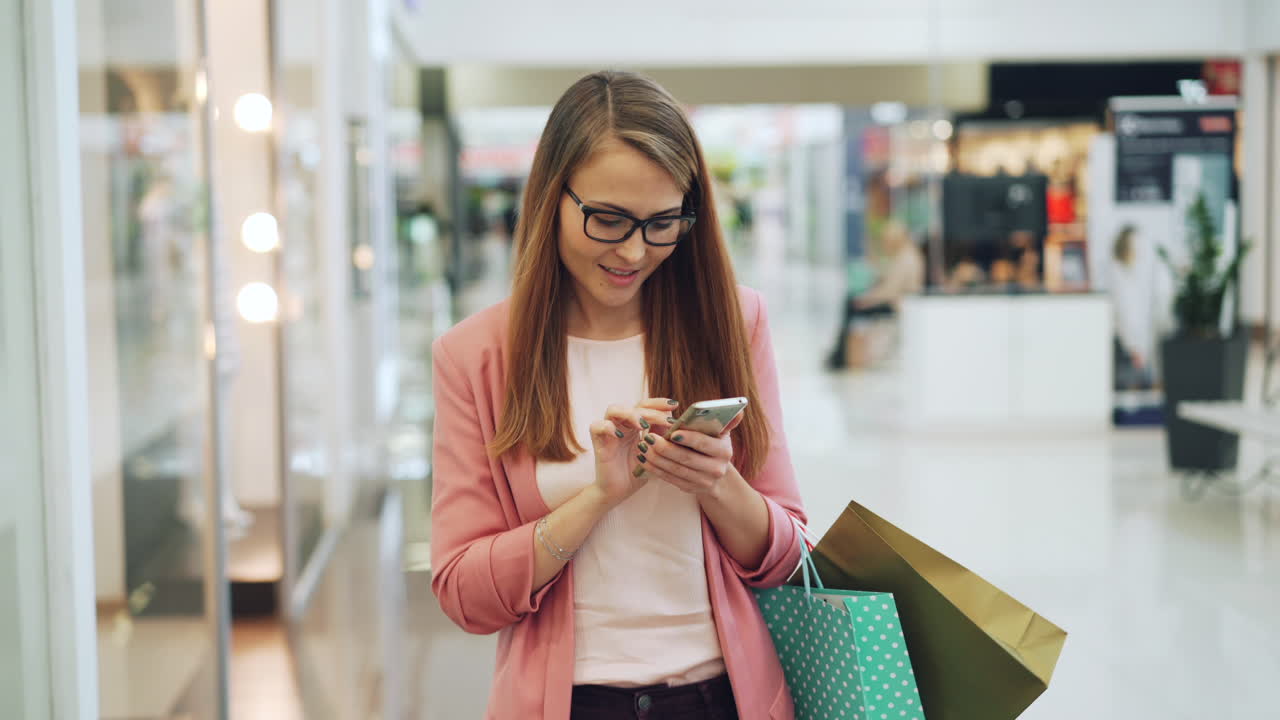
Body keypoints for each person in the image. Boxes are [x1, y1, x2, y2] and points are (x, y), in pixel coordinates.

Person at [430, 71, 808, 720]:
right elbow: (466, 595)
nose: (635, 250)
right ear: (553, 197)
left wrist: (718, 482)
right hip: (567, 703)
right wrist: (598, 498)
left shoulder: (733, 322)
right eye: (608, 219)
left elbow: (789, 557)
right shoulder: (477, 355)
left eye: (663, 223)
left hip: (725, 698)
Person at [825, 220, 924, 369]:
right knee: (851, 303)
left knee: (852, 306)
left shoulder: (906, 258)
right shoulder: (904, 256)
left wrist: (867, 300)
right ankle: (840, 353)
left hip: (894, 306)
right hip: (892, 302)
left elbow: (889, 292)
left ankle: (841, 355)